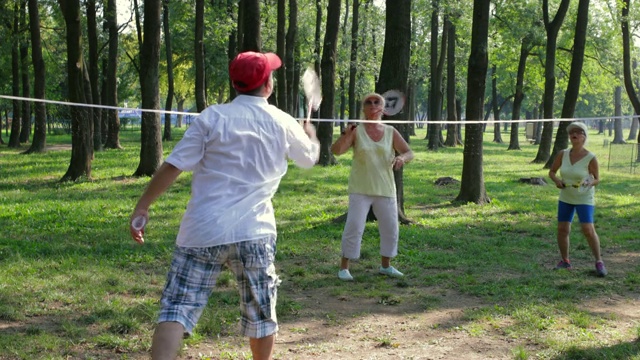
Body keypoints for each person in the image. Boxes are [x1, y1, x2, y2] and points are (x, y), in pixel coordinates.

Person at [129, 51, 320, 360]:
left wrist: (142, 206)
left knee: (176, 309)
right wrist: (309, 135)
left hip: (202, 231)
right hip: (255, 233)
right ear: (268, 84)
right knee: (261, 317)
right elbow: (308, 158)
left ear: (236, 83)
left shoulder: (212, 117)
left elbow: (173, 166)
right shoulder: (282, 121)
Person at [330, 92, 414, 281]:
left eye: (377, 102)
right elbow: (336, 151)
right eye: (369, 102)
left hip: (385, 188)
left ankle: (386, 266)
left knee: (390, 227)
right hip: (360, 188)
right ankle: (344, 268)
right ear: (364, 108)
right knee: (354, 226)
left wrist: (401, 158)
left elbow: (409, 152)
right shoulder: (356, 130)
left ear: (383, 109)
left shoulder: (391, 131)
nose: (373, 104)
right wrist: (345, 134)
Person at [548, 121, 607, 277]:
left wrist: (589, 182)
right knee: (562, 229)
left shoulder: (590, 157)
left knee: (588, 229)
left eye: (578, 132)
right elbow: (552, 172)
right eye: (571, 132)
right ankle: (565, 261)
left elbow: (597, 179)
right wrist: (557, 181)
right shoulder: (563, 154)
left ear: (584, 136)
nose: (574, 134)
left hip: (584, 197)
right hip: (566, 196)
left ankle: (599, 262)